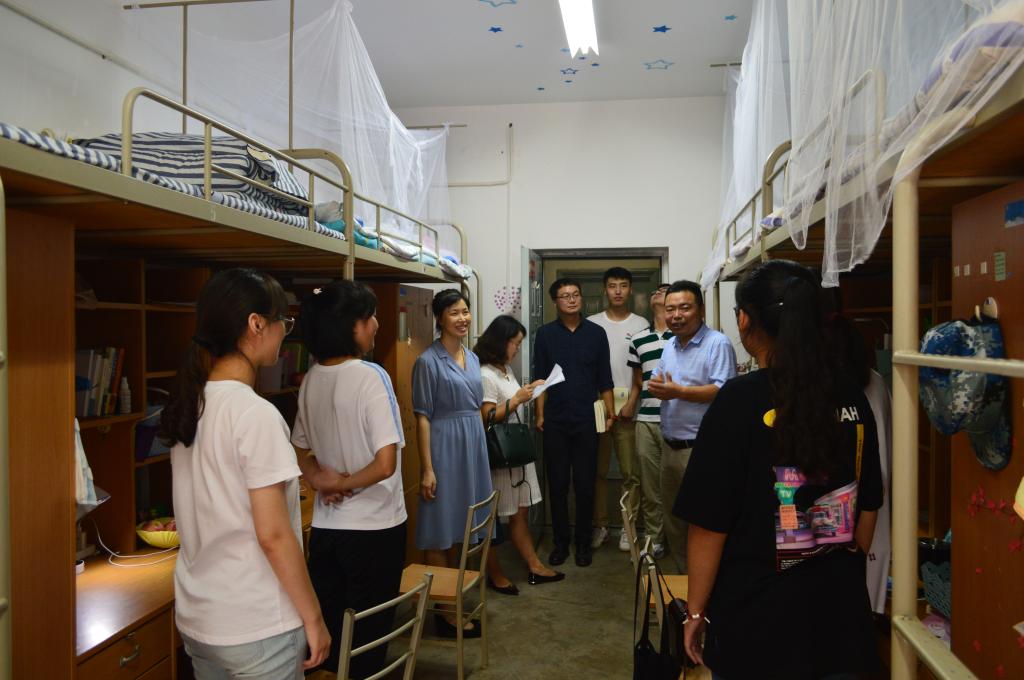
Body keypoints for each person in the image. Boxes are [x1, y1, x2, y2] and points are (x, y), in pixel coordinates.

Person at [675, 260, 883, 679]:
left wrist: (695, 611)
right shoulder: (851, 395)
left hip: (759, 618)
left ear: (746, 319)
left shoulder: (739, 401)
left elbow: (709, 525)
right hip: (840, 614)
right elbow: (867, 506)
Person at [160, 268, 329, 679]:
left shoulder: (191, 407)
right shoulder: (256, 414)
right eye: (282, 321)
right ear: (256, 324)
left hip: (200, 619)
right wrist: (314, 617)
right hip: (257, 623)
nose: (284, 332)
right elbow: (273, 535)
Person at [290, 281, 407, 678]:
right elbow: (386, 464)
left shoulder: (311, 377)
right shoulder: (371, 376)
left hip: (327, 530)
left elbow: (297, 449)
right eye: (370, 317)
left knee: (330, 638)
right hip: (375, 528)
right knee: (367, 642)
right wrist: (340, 484)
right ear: (351, 326)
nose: (377, 324)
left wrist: (320, 481)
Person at [413, 289, 494, 636]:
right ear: (440, 318)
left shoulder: (471, 357)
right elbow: (422, 417)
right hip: (444, 446)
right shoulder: (427, 361)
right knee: (440, 530)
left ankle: (455, 600)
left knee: (464, 529)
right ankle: (444, 612)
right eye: (454, 313)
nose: (462, 319)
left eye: (465, 312)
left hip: (472, 445)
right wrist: (428, 468)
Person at [648, 280, 737, 573]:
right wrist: (660, 388)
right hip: (670, 446)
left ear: (700, 309)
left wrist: (678, 391)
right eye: (670, 309)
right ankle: (685, 578)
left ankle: (706, 584)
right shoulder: (670, 345)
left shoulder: (717, 343)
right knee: (674, 519)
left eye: (684, 308)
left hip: (701, 449)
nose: (676, 315)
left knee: (703, 520)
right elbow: (661, 379)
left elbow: (723, 391)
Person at [474, 314, 565, 593]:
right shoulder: (485, 373)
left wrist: (531, 391)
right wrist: (516, 400)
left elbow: (511, 400)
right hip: (501, 454)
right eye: (515, 343)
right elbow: (487, 417)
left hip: (516, 451)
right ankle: (495, 573)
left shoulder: (504, 369)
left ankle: (534, 565)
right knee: (493, 518)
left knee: (520, 513)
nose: (517, 348)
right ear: (500, 341)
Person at [534, 278, 614, 568]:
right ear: (555, 301)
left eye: (576, 294)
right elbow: (540, 379)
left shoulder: (596, 333)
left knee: (585, 485)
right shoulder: (545, 335)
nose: (571, 299)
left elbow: (605, 378)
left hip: (586, 420)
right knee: (557, 485)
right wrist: (540, 414)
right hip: (555, 420)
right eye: (565, 296)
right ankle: (560, 543)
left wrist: (609, 412)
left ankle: (583, 543)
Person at [826, 315, 892, 615]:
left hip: (847, 499)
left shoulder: (830, 390)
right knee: (866, 580)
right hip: (875, 495)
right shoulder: (876, 382)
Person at [588, 267, 651, 552]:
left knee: (631, 474)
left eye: (623, 285)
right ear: (605, 289)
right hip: (599, 410)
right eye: (612, 285)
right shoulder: (592, 324)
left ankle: (628, 527)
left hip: (629, 410)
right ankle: (600, 526)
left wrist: (631, 402)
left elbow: (643, 371)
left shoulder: (641, 324)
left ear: (630, 290)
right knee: (597, 472)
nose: (617, 290)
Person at [623, 283, 672, 559]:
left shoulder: (684, 336)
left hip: (678, 422)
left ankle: (679, 539)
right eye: (655, 291)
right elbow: (637, 381)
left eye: (663, 290)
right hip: (646, 420)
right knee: (650, 488)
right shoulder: (639, 339)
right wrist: (631, 404)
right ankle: (655, 539)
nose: (657, 293)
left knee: (677, 485)